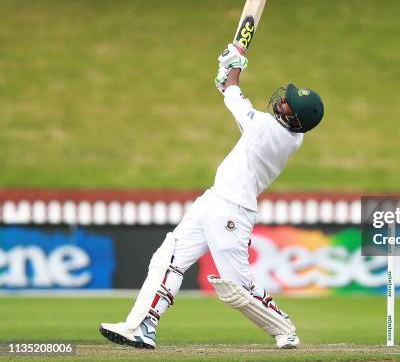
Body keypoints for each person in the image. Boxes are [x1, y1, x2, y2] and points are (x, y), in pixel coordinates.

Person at [99, 44, 324, 350]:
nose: (282, 100)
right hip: (213, 200)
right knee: (168, 258)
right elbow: (236, 102)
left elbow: (235, 96)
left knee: (236, 287)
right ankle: (142, 326)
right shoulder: (277, 131)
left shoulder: (271, 132)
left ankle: (285, 329)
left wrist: (234, 68)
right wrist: (228, 79)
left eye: (288, 104)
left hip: (233, 210)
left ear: (294, 119)